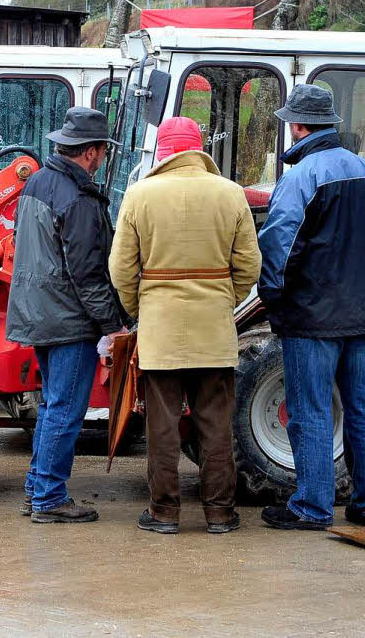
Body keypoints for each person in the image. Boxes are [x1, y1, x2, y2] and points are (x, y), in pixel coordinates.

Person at [108, 116, 261, 535]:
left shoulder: (139, 196)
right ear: (198, 150)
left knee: (161, 426)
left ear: (162, 155)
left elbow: (121, 270)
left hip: (161, 331)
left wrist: (140, 309)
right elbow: (250, 265)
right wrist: (224, 299)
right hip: (214, 329)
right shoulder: (230, 194)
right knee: (215, 423)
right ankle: (220, 513)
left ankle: (164, 513)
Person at [257, 84, 365, 531]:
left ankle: (312, 507)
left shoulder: (300, 177)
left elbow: (279, 245)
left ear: (297, 126)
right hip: (361, 312)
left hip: (313, 317)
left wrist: (271, 298)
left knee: (310, 409)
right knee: (362, 406)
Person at [5, 106, 126, 524]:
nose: (104, 158)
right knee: (65, 411)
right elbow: (88, 273)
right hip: (69, 320)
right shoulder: (78, 198)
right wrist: (113, 326)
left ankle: (37, 490)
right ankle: (49, 499)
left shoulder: (38, 182)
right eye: (103, 151)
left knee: (52, 406)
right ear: (91, 152)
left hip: (39, 314)